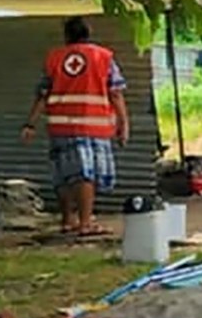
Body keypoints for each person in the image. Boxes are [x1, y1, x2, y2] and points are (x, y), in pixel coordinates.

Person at [20, 17, 129, 237]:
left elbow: (42, 94)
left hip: (60, 126)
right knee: (85, 174)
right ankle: (86, 223)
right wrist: (123, 124)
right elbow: (115, 93)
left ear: (67, 35)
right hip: (92, 125)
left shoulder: (54, 58)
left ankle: (68, 220)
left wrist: (30, 123)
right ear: (88, 33)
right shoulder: (103, 57)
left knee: (63, 173)